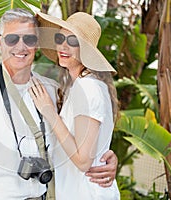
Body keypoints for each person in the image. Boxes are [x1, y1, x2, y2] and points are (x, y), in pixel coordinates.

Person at [0, 8, 118, 200]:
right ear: (0, 42)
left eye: (29, 39)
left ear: (37, 45)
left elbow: (82, 138)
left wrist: (104, 158)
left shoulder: (53, 90)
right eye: (12, 39)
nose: (21, 47)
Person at [29, 12, 120, 199]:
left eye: (73, 41)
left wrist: (50, 113)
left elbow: (84, 161)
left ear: (85, 50)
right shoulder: (82, 85)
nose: (63, 46)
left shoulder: (88, 87)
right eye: (60, 38)